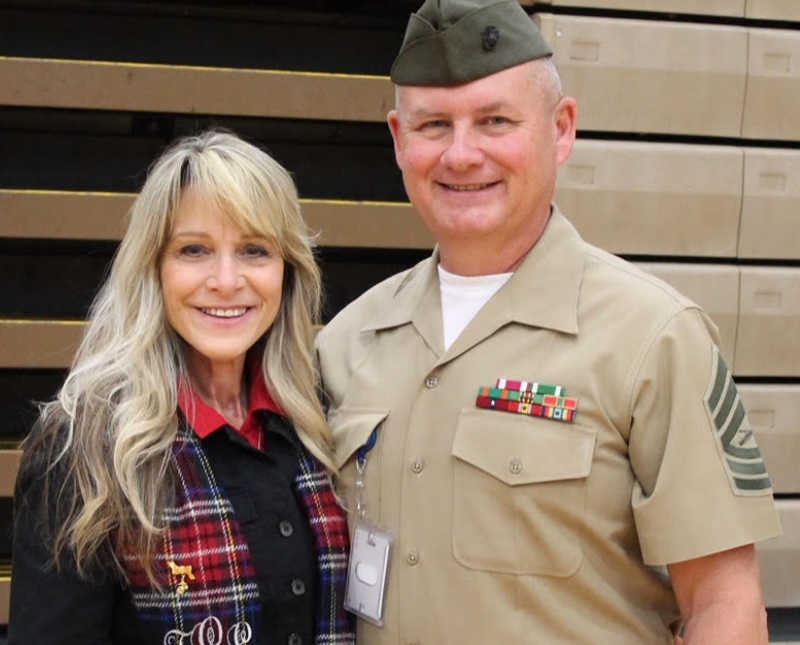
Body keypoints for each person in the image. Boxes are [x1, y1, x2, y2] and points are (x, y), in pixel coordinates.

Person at [316, 1, 782, 643]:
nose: (460, 154)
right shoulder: (345, 343)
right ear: (398, 139)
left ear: (561, 129)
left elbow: (724, 605)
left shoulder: (652, 338)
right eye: (433, 126)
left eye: (494, 121)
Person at [10, 130, 354, 645]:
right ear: (154, 268)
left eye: (254, 250)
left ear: (287, 273)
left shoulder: (321, 420)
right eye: (194, 250)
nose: (225, 279)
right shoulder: (84, 447)